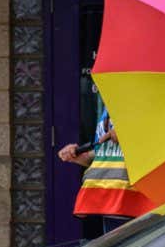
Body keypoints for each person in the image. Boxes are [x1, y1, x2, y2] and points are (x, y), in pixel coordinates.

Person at [58, 100, 154, 235]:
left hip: (138, 200)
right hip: (111, 201)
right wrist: (80, 156)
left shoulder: (143, 100)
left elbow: (160, 138)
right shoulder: (108, 107)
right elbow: (102, 154)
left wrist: (130, 134)